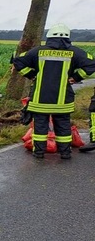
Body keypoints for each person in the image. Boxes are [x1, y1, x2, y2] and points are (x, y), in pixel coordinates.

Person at [12, 23, 95, 159]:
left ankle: (38, 153)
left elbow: (18, 61)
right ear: (68, 38)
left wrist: (31, 74)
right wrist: (76, 77)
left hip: (40, 99)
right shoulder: (75, 52)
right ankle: (65, 153)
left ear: (49, 37)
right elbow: (92, 64)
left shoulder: (38, 51)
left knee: (40, 127)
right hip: (62, 101)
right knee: (63, 125)